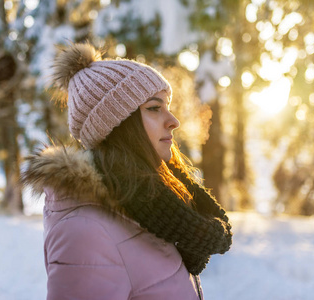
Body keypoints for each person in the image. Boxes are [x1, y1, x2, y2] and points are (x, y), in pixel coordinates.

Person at [21, 42, 232, 300]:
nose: (173, 121)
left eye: (167, 105)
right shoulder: (84, 232)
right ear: (118, 125)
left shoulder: (152, 205)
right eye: (155, 108)